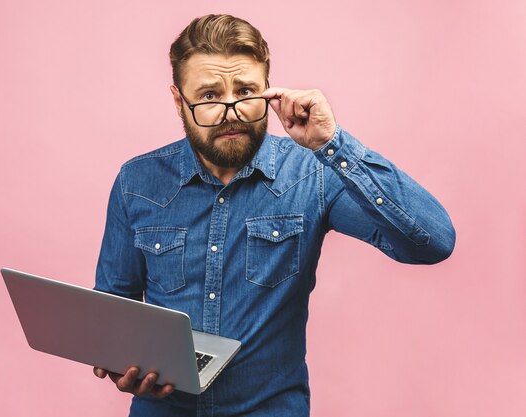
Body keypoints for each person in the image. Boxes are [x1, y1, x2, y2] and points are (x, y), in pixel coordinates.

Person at [92, 13, 455, 417]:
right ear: (180, 101)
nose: (231, 111)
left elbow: (434, 242)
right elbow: (113, 310)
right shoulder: (136, 181)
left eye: (245, 91)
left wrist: (334, 144)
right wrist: (119, 363)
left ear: (268, 89)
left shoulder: (313, 174)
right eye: (210, 96)